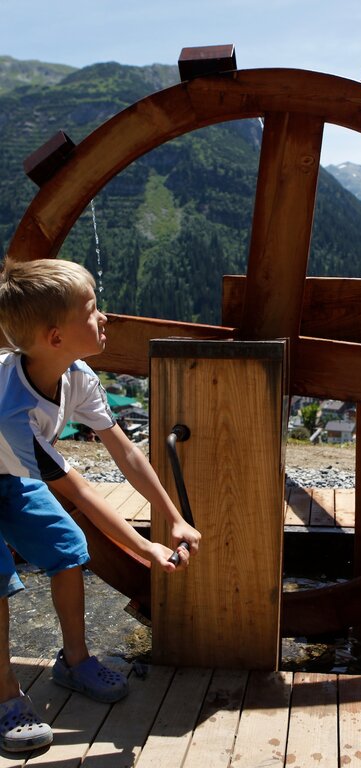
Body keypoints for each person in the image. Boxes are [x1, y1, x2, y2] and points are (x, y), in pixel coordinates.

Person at [0, 257, 201, 753]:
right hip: (10, 463)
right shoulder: (14, 411)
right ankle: (4, 693)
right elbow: (82, 491)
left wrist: (172, 518)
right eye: (92, 310)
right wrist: (145, 548)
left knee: (67, 549)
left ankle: (74, 660)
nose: (104, 317)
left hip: (10, 475)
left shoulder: (77, 374)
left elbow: (126, 452)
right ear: (54, 337)